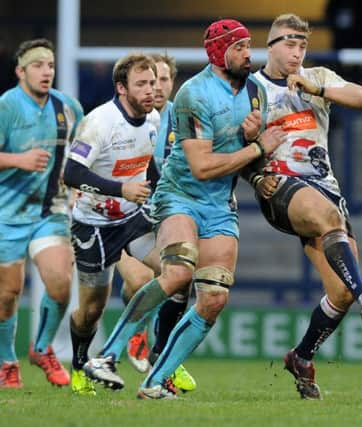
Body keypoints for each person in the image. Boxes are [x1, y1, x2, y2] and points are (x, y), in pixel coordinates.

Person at [82, 18, 287, 400]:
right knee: (177, 272)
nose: (248, 54)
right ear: (218, 52)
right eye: (239, 47)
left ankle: (156, 380)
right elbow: (202, 166)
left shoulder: (256, 90)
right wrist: (259, 146)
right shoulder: (195, 94)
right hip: (180, 196)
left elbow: (244, 154)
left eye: (248, 46)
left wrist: (257, 165)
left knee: (214, 297)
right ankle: (106, 356)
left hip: (220, 205)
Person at [244, 13, 362, 400]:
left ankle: (302, 356)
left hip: (325, 188)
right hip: (279, 186)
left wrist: (317, 88)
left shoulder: (319, 78)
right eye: (289, 44)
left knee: (339, 292)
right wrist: (253, 174)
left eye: (302, 46)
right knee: (349, 272)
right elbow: (233, 144)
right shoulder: (249, 88)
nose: (296, 53)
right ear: (272, 44)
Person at [63, 53, 163, 395]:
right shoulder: (100, 122)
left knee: (176, 271)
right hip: (92, 225)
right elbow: (72, 173)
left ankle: (147, 348)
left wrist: (157, 192)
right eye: (141, 84)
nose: (151, 90)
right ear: (122, 88)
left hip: (132, 219)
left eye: (152, 82)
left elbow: (150, 165)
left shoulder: (154, 119)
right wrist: (122, 188)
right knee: (91, 311)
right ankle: (79, 365)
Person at [0, 38, 83, 389]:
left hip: (50, 211)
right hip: (8, 213)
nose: (46, 71)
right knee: (8, 294)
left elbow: (80, 153)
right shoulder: (6, 106)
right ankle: (6, 361)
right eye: (38, 65)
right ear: (21, 71)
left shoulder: (69, 108)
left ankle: (41, 348)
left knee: (61, 283)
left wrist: (77, 186)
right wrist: (18, 160)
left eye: (50, 64)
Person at [116, 53, 197, 392]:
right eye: (151, 81)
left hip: (164, 215)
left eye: (164, 80)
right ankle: (130, 339)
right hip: (122, 217)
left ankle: (162, 354)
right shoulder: (132, 119)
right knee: (145, 279)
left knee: (182, 278)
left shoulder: (184, 116)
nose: (158, 87)